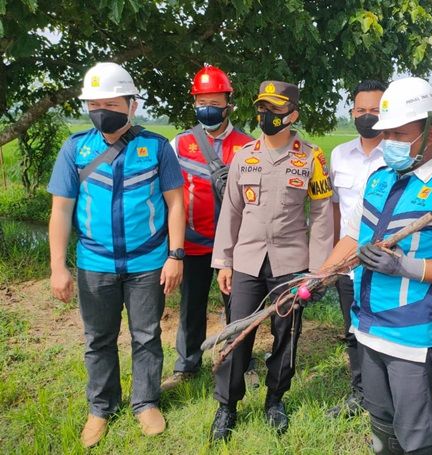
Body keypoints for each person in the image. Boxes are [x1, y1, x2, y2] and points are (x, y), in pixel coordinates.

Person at [319, 77, 432, 454]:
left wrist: (407, 267)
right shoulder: (378, 180)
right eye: (387, 133)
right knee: (380, 419)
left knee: (414, 434)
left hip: (410, 335)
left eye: (400, 133)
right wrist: (319, 276)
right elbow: (351, 238)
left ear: (430, 132)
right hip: (366, 324)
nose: (390, 141)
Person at [47, 62, 185, 447]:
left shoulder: (156, 147)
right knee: (98, 339)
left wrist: (176, 255)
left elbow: (176, 203)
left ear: (131, 104)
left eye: (110, 102)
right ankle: (100, 408)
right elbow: (60, 210)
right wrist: (58, 267)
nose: (101, 110)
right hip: (95, 263)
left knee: (147, 335)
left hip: (148, 262)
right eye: (94, 103)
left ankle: (146, 402)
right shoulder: (76, 149)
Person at [209, 80, 334, 439]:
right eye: (262, 108)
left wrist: (318, 271)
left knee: (286, 335)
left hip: (291, 264)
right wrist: (225, 261)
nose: (266, 115)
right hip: (247, 260)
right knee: (237, 333)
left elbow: (323, 215)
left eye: (275, 110)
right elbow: (231, 211)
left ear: (292, 114)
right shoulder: (243, 156)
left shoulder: (311, 158)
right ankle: (227, 406)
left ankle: (275, 399)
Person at [161, 66, 253, 391]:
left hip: (235, 246)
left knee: (239, 307)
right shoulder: (180, 144)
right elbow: (168, 195)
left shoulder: (248, 145)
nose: (208, 109)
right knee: (191, 306)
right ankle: (187, 365)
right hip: (194, 242)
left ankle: (241, 362)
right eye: (202, 102)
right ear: (195, 104)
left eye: (215, 102)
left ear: (228, 104)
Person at [327, 79, 387, 417]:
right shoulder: (339, 155)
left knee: (383, 331)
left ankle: (385, 396)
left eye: (375, 110)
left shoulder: (395, 156)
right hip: (348, 263)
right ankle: (359, 394)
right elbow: (336, 209)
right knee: (353, 330)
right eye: (361, 110)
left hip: (385, 263)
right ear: (352, 112)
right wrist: (333, 258)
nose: (367, 116)